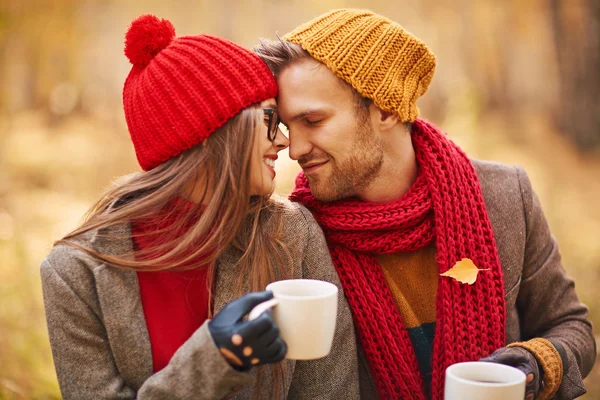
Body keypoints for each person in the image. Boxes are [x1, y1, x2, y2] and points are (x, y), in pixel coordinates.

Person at [255, 8, 596, 400]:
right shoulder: (293, 233)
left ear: (384, 108)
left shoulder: (505, 195)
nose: (294, 150)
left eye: (312, 122)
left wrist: (536, 363)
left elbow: (570, 325)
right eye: (287, 127)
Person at [40, 14, 359, 400]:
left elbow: (331, 390)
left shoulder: (292, 233)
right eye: (272, 119)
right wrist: (215, 360)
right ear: (213, 130)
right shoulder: (75, 274)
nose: (284, 144)